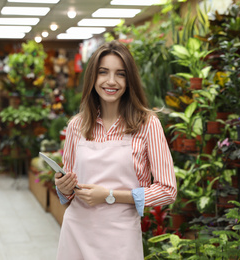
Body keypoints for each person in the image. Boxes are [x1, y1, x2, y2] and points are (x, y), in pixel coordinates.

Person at [55, 40, 177, 260]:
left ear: (129, 80)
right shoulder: (76, 125)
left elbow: (168, 190)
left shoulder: (147, 124)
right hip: (76, 231)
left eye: (120, 74)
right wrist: (63, 187)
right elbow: (70, 190)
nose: (111, 81)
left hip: (120, 236)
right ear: (92, 77)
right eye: (103, 72)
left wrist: (110, 196)